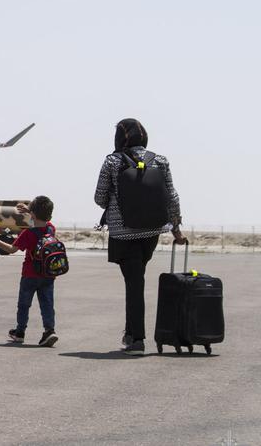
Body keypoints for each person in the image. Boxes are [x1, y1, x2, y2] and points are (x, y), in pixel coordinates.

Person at [95, 118, 185, 356]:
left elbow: (99, 197)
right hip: (152, 231)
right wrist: (176, 227)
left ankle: (136, 338)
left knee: (134, 284)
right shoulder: (160, 161)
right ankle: (130, 333)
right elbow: (172, 197)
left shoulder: (112, 161)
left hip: (124, 233)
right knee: (136, 280)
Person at [0, 196, 59, 347]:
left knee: (24, 305)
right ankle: (49, 331)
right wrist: (30, 211)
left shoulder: (28, 233)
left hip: (30, 275)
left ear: (33, 215)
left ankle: (20, 332)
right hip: (48, 275)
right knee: (47, 304)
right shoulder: (51, 228)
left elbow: (11, 249)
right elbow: (42, 219)